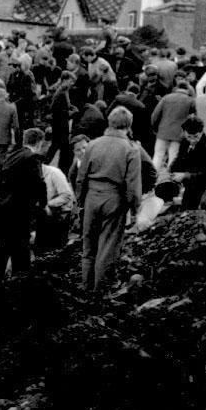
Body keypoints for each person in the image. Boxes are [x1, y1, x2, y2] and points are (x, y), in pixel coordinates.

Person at [75, 105, 142, 291]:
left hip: (91, 197)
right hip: (114, 199)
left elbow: (81, 177)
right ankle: (101, 290)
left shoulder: (93, 144)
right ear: (128, 126)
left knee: (88, 246)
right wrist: (135, 210)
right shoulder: (131, 149)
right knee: (108, 246)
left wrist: (80, 202)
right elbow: (133, 186)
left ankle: (86, 287)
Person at [0, 128, 47, 282]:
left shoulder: (11, 156)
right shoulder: (32, 158)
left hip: (2, 208)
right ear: (40, 142)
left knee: (3, 248)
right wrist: (43, 206)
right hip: (19, 210)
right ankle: (21, 284)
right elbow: (39, 185)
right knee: (21, 251)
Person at [169, 116, 206, 211]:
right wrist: (170, 171)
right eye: (189, 137)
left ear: (201, 132)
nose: (192, 140)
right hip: (196, 176)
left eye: (196, 137)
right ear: (184, 132)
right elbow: (180, 159)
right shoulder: (184, 140)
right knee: (187, 207)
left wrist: (185, 176)